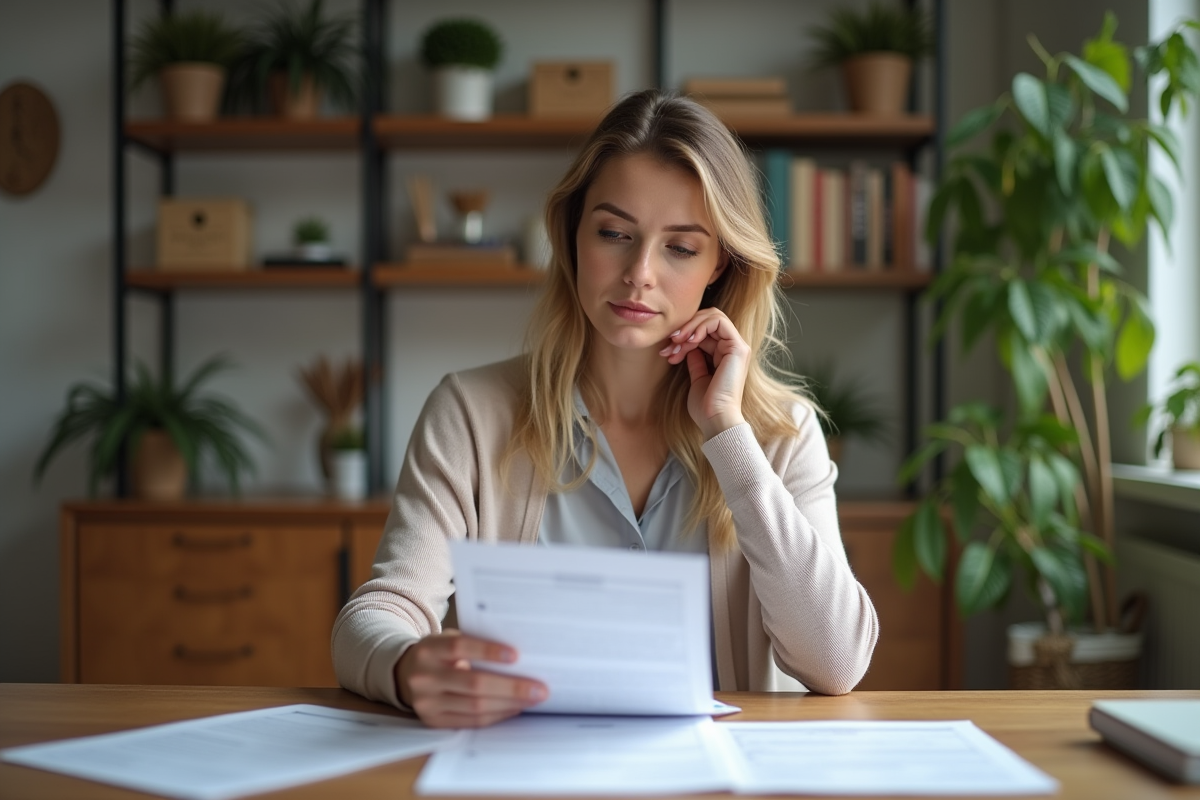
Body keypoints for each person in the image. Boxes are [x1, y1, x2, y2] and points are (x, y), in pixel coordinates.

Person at [332, 90, 878, 729]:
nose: (639, 272)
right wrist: (405, 665)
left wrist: (728, 433)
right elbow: (374, 618)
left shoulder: (780, 434)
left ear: (719, 265)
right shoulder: (470, 413)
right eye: (615, 233)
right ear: (572, 235)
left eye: (680, 247)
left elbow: (836, 663)